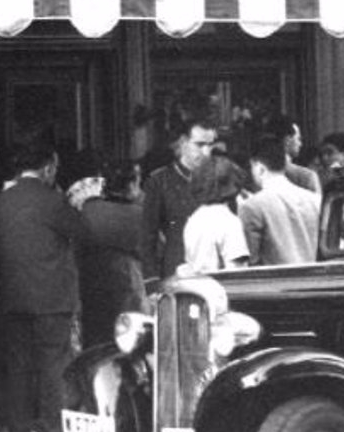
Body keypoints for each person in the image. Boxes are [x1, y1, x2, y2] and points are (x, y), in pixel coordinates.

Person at [0, 139, 88, 432]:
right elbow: (81, 232)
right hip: (52, 296)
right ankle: (54, 431)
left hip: (12, 295)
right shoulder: (54, 201)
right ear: (48, 168)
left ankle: (17, 431)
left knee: (18, 365)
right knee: (53, 364)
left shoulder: (1, 201)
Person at [77, 161, 147, 349]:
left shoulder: (88, 210)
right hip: (126, 290)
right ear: (132, 184)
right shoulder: (140, 216)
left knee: (96, 346)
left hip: (91, 290)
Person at [141, 115, 218, 280]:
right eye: (199, 145)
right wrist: (152, 281)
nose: (206, 152)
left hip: (214, 272)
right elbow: (148, 238)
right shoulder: (160, 182)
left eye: (210, 145)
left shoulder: (221, 181)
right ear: (183, 143)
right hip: (176, 274)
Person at [241, 137, 321, 266]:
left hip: (274, 282)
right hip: (312, 281)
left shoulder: (252, 206)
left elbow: (251, 259)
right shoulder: (315, 200)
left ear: (259, 168)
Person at [178, 157, 251, 275]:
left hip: (199, 287)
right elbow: (238, 272)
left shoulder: (194, 220)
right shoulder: (229, 222)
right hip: (222, 289)